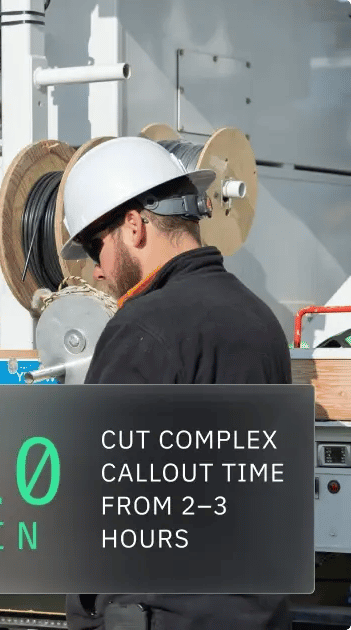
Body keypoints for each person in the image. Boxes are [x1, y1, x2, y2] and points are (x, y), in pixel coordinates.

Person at [59, 136, 292, 630]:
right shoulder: (260, 320)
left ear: (134, 226)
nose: (97, 272)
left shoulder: (141, 328)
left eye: (95, 247)